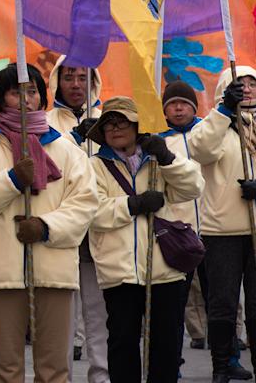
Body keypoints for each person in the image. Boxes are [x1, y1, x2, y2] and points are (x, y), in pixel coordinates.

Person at [0, 64, 98, 383]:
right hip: (1, 274)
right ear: (1, 99)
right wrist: (11, 180)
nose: (25, 99)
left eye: (32, 91)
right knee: (5, 369)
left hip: (54, 272)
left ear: (42, 98)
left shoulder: (67, 151)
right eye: (16, 92)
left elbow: (84, 203)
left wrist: (46, 228)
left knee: (54, 369)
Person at [86, 96, 203, 382]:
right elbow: (92, 211)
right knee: (122, 344)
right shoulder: (94, 166)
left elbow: (192, 188)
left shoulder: (159, 158)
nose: (115, 129)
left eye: (122, 122)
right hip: (120, 271)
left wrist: (167, 159)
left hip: (165, 270)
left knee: (165, 347)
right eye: (109, 124)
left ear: (138, 126)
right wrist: (133, 205)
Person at [186, 66, 256, 383]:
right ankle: (221, 364)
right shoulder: (214, 125)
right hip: (221, 230)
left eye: (253, 83)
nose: (248, 88)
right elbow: (200, 150)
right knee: (223, 304)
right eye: (239, 84)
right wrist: (224, 110)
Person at [45, 60, 107, 380]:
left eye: (82, 77)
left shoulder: (108, 119)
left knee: (98, 312)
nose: (75, 84)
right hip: (64, 227)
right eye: (68, 77)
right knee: (62, 314)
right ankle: (60, 375)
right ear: (57, 81)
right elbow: (49, 164)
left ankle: (101, 374)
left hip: (100, 228)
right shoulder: (45, 121)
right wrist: (74, 139)